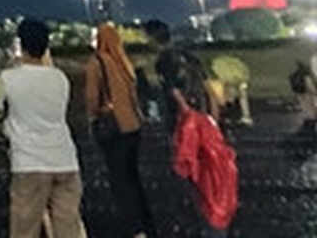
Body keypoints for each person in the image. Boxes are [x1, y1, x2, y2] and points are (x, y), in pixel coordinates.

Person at [144, 19, 229, 237]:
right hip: (205, 115)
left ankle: (203, 215)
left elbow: (174, 91)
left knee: (189, 166)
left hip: (184, 121)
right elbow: (208, 85)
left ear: (153, 38)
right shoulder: (188, 55)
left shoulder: (163, 60)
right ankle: (215, 208)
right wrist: (213, 117)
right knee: (209, 165)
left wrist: (186, 115)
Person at [0, 18, 83, 238]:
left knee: (25, 230)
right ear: (46, 46)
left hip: (29, 164)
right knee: (68, 229)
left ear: (20, 44)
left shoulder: (8, 79)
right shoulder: (60, 78)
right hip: (65, 160)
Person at [86, 24, 156, 238]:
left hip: (113, 128)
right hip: (133, 126)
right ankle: (146, 225)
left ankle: (135, 229)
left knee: (120, 181)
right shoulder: (124, 62)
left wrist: (94, 114)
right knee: (133, 178)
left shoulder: (97, 62)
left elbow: (91, 98)